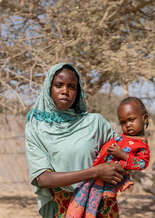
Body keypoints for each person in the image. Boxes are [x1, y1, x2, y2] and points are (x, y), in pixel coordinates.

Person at [25, 63, 126, 218]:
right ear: (48, 88)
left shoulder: (95, 123)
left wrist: (117, 169)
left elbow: (125, 153)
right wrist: (97, 171)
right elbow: (43, 179)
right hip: (64, 208)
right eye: (59, 85)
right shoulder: (36, 127)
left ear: (78, 92)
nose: (65, 91)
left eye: (71, 87)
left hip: (101, 207)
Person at [67, 97, 150, 218]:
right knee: (81, 197)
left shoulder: (141, 144)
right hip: (96, 172)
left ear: (145, 118)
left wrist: (122, 155)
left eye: (131, 120)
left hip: (107, 178)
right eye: (123, 122)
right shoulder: (123, 137)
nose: (127, 125)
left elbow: (142, 163)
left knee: (93, 204)